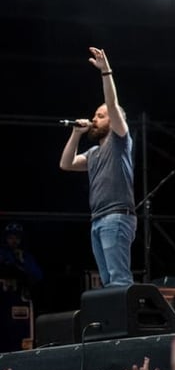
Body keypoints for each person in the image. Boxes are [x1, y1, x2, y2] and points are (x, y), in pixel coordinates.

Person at [59, 47, 136, 287]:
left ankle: (126, 323)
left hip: (116, 217)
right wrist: (75, 134)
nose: (95, 118)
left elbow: (112, 105)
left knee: (119, 279)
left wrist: (106, 72)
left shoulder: (120, 140)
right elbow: (66, 164)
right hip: (98, 219)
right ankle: (115, 320)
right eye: (95, 114)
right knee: (107, 280)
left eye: (100, 116)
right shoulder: (93, 153)